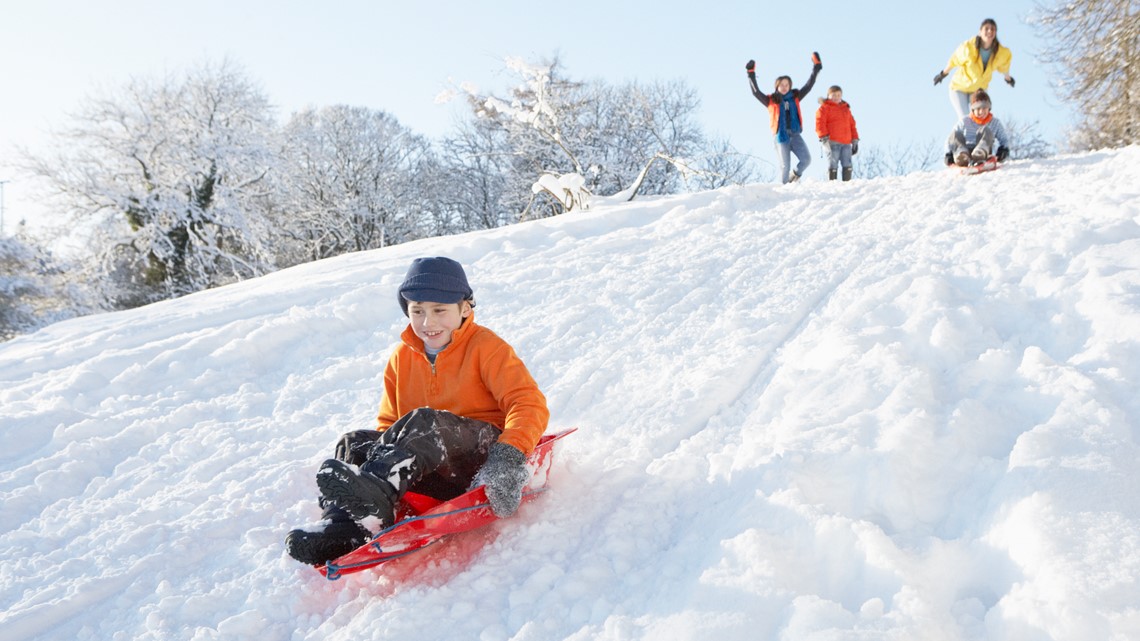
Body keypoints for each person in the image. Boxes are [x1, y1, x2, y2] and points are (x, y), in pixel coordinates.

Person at [285, 256, 550, 566]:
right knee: (353, 441)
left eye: (440, 310)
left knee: (424, 420)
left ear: (464, 308)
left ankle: (377, 498)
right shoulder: (401, 358)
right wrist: (376, 454)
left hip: (480, 456)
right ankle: (344, 526)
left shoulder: (487, 348)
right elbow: (389, 424)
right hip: (429, 467)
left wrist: (507, 456)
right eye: (418, 311)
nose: (428, 322)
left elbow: (527, 402)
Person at [747, 52, 822, 183]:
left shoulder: (795, 97)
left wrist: (816, 68)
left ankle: (795, 174)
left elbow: (809, 86)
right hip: (781, 137)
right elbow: (755, 92)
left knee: (806, 160)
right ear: (777, 86)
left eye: (787, 85)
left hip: (795, 134)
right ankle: (785, 191)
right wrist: (751, 73)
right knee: (784, 166)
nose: (784, 87)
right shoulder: (771, 100)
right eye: (781, 85)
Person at [934, 18, 1015, 121]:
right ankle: (961, 135)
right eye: (986, 29)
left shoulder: (999, 53)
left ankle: (981, 136)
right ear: (980, 31)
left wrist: (1008, 79)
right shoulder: (968, 48)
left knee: (979, 118)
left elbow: (1004, 66)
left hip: (978, 90)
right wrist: (942, 74)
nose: (989, 31)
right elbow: (954, 60)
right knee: (965, 118)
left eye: (992, 29)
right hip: (959, 88)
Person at [945, 89, 1011, 167]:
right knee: (955, 134)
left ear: (989, 108)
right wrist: (948, 153)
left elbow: (1004, 139)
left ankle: (980, 153)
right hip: (965, 150)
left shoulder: (995, 122)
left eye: (984, 108)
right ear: (973, 110)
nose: (981, 111)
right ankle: (961, 156)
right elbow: (951, 139)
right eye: (978, 109)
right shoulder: (965, 121)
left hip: (984, 151)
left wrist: (1004, 150)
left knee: (986, 130)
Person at [814, 85, 860, 181]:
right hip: (832, 141)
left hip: (846, 142)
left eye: (839, 95)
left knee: (847, 163)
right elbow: (820, 123)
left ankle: (847, 183)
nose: (836, 97)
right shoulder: (824, 108)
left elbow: (852, 125)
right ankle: (832, 183)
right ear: (828, 95)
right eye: (834, 95)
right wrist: (823, 137)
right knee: (833, 162)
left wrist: (855, 140)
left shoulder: (845, 109)